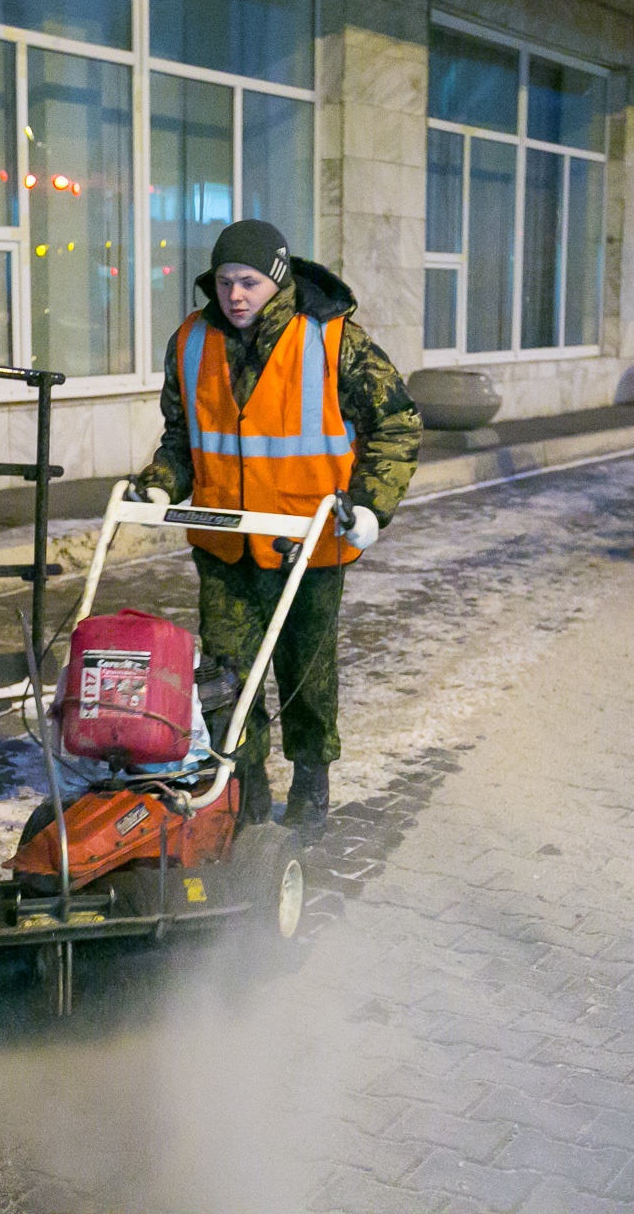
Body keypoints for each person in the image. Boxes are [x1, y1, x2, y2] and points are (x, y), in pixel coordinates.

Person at [131, 220, 421, 830]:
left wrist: (371, 505)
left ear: (278, 279)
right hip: (226, 546)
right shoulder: (190, 341)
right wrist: (161, 479)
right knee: (224, 677)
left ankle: (311, 787)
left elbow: (397, 421)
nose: (235, 295)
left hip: (307, 546)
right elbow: (183, 437)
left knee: (305, 675)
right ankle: (247, 794)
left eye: (249, 282)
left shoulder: (333, 339)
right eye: (226, 283)